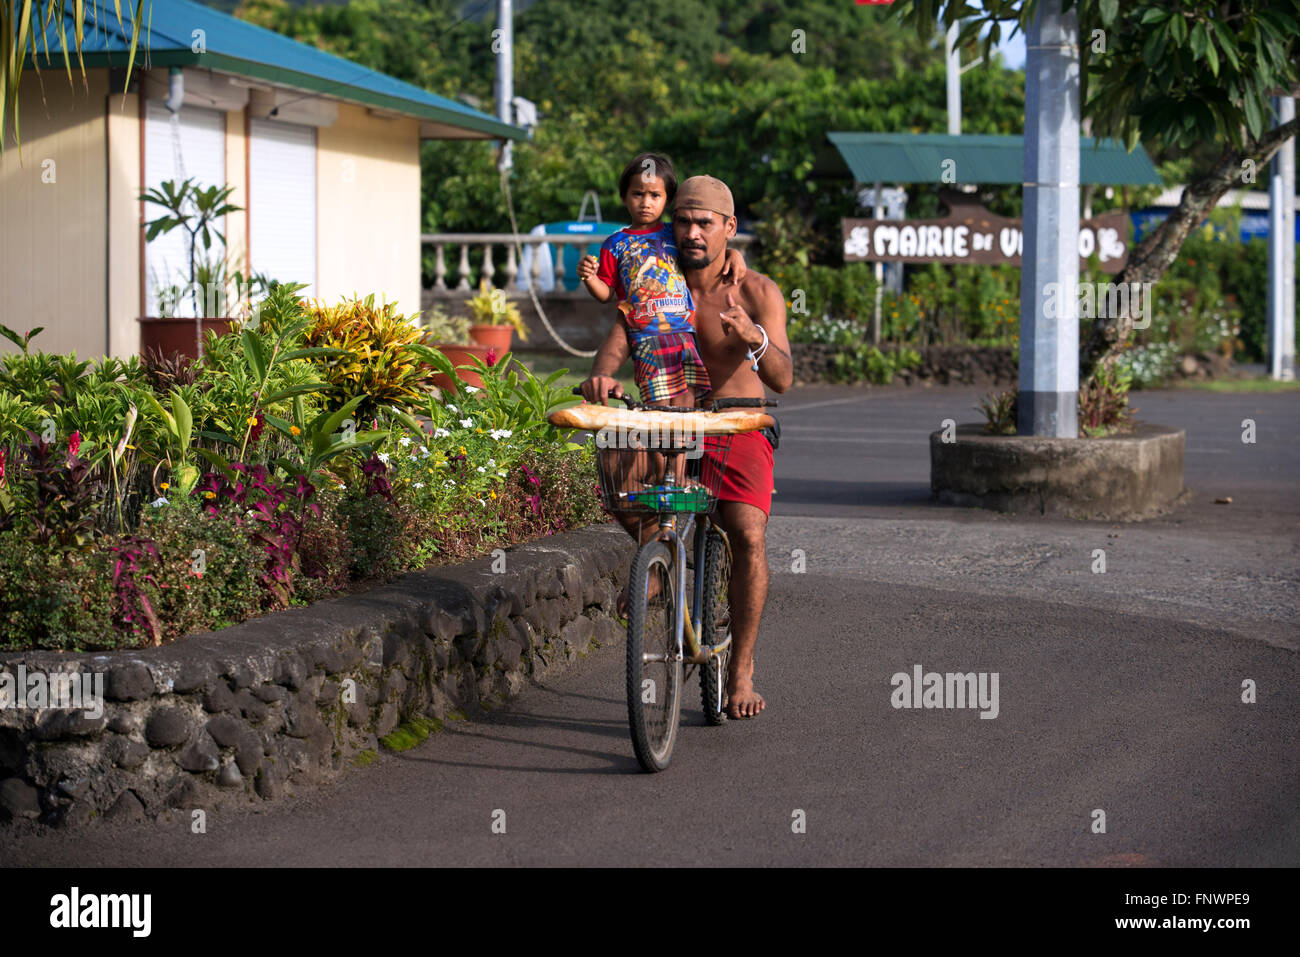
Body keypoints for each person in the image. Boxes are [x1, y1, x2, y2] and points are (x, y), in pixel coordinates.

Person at [578, 174, 793, 719]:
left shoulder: (757, 290)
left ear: (729, 229)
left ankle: (740, 673)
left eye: (706, 223)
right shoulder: (655, 278)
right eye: (684, 221)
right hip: (670, 418)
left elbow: (785, 378)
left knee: (746, 531)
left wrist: (756, 339)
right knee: (616, 465)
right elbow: (618, 341)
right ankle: (655, 561)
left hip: (736, 422)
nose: (693, 232)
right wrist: (602, 376)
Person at [576, 153, 745, 410]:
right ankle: (659, 452)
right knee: (658, 412)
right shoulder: (615, 244)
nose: (646, 202)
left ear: (667, 201)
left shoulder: (674, 233)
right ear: (624, 197)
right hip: (645, 335)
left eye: (655, 195)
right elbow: (606, 293)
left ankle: (678, 452)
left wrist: (734, 254)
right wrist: (589, 277)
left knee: (685, 410)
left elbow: (705, 250)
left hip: (683, 335)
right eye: (637, 194)